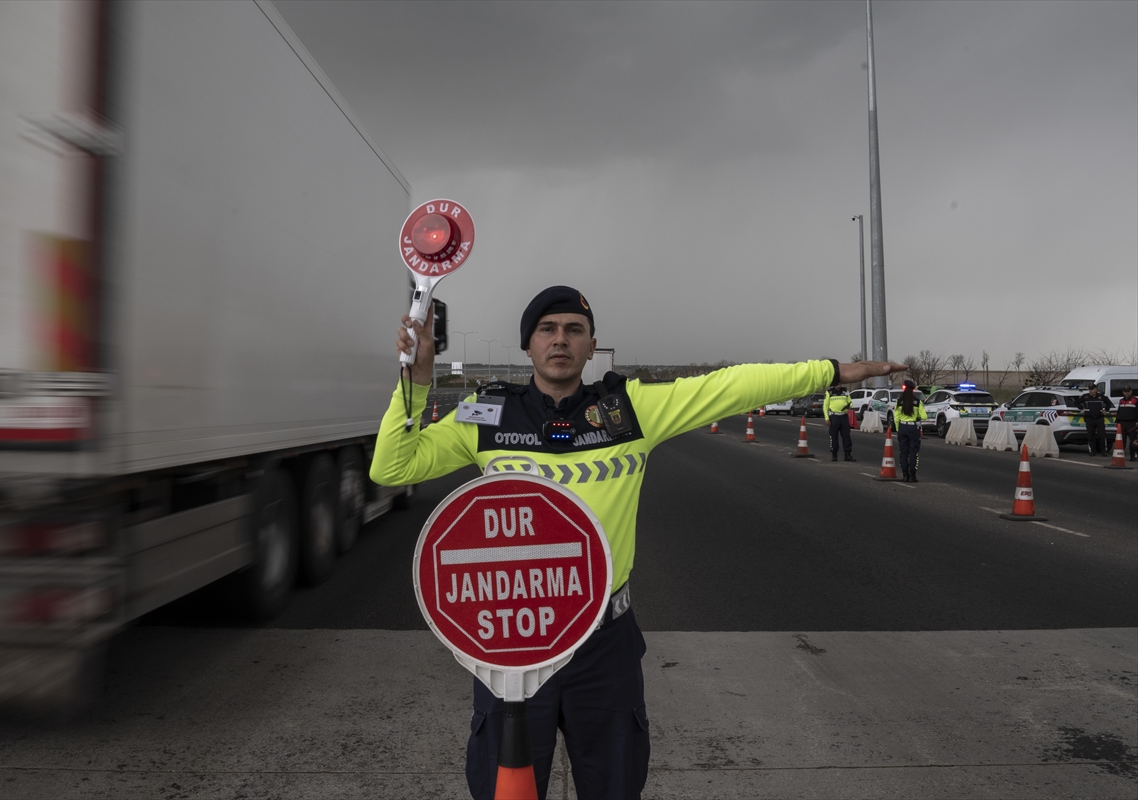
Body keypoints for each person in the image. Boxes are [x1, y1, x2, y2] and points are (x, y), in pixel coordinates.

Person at [370, 285, 904, 800]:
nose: (560, 340)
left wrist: (831, 371)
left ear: (591, 344)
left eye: (574, 330)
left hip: (604, 642)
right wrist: (416, 381)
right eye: (547, 329)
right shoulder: (484, 414)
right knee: (503, 789)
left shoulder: (630, 410)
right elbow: (393, 465)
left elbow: (733, 385)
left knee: (615, 785)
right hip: (514, 648)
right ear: (527, 343)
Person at [893, 380, 926, 483]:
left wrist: (898, 429)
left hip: (902, 427)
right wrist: (917, 417)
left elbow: (896, 417)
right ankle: (912, 476)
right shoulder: (917, 402)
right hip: (913, 429)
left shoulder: (899, 401)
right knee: (913, 452)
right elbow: (924, 416)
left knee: (903, 452)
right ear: (913, 390)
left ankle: (904, 475)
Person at [1075, 384, 1114, 456]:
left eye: (1092, 389)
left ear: (1096, 389)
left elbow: (1109, 403)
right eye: (1089, 389)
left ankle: (1103, 451)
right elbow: (1076, 402)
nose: (1090, 391)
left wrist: (1106, 410)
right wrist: (1082, 408)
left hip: (1099, 418)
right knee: (1091, 435)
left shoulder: (1101, 397)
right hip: (1089, 419)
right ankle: (1092, 451)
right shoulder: (1085, 396)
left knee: (1102, 435)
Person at [823, 385, 855, 462]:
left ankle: (847, 455)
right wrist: (827, 418)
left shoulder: (845, 391)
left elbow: (850, 402)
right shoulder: (829, 392)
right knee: (833, 436)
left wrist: (848, 405)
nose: (839, 384)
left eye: (840, 382)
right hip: (834, 416)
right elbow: (825, 406)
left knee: (846, 436)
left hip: (844, 416)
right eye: (837, 383)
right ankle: (834, 454)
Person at [1116, 384, 1137, 461]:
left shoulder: (1135, 400)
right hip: (1122, 423)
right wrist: (1116, 421)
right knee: (1122, 441)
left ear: (1131, 392)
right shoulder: (1121, 401)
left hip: (1132, 423)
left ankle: (1133, 455)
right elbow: (1119, 412)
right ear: (1123, 392)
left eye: (1128, 392)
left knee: (1133, 441)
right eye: (1125, 392)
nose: (1127, 393)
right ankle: (1120, 455)